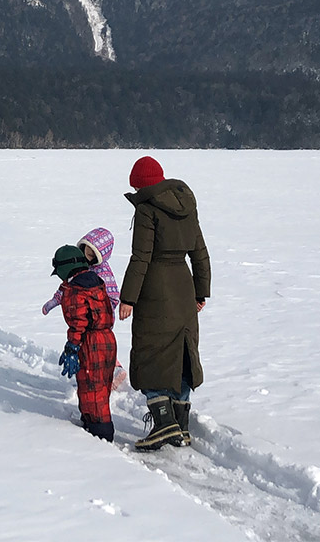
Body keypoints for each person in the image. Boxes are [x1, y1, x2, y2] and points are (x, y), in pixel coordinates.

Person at [118, 156, 210, 450]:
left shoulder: (147, 209)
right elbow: (200, 254)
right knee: (183, 353)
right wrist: (200, 292)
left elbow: (141, 257)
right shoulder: (186, 206)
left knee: (151, 352)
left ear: (140, 184)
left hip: (155, 289)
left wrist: (128, 298)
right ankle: (181, 427)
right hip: (183, 288)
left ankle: (163, 424)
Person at [43, 228, 127, 390]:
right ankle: (90, 372)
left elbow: (113, 295)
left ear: (100, 256)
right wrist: (55, 301)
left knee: (96, 346)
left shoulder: (103, 272)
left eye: (91, 255)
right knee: (88, 345)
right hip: (85, 315)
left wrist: (101, 309)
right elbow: (67, 286)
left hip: (100, 318)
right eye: (85, 252)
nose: (87, 258)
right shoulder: (80, 268)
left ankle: (113, 371)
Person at [51, 244, 117, 442]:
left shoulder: (74, 290)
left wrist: (72, 347)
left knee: (91, 387)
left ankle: (100, 432)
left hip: (90, 343)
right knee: (102, 385)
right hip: (108, 339)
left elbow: (78, 323)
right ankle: (92, 421)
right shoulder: (97, 281)